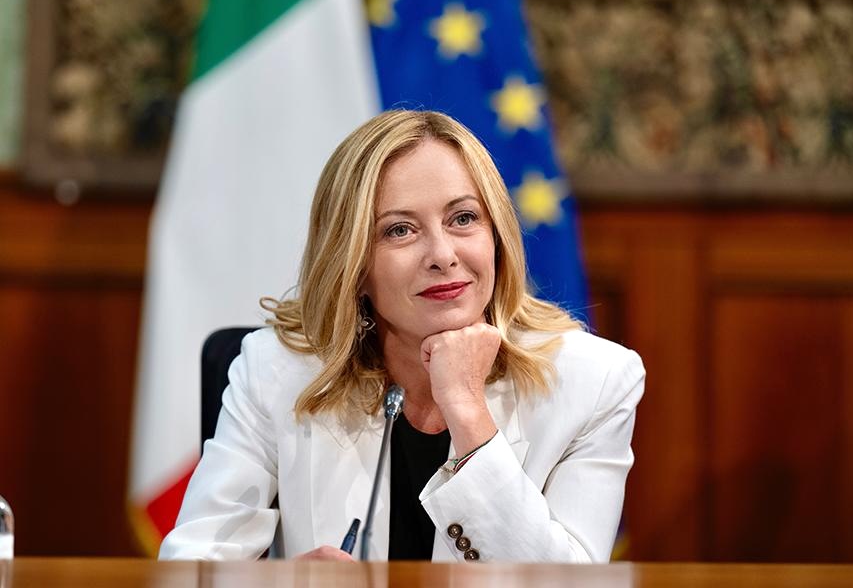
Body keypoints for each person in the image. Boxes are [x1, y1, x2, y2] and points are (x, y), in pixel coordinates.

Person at [159, 110, 644, 563]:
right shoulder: (275, 370)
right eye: (399, 231)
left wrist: (467, 412)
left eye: (463, 218)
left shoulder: (593, 381)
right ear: (352, 264)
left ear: (497, 236)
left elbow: (567, 582)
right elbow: (192, 563)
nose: (443, 255)